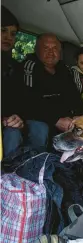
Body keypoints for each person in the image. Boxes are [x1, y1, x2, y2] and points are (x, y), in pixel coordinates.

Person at [1, 5, 49, 157]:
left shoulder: (13, 66)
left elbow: (20, 97)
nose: (8, 37)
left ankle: (33, 170)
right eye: (3, 31)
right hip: (5, 123)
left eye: (13, 34)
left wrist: (19, 117)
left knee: (40, 127)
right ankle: (7, 177)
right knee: (12, 134)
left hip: (12, 119)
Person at [22, 33, 83, 135]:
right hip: (40, 120)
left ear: (60, 51)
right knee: (41, 128)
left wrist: (78, 115)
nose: (51, 52)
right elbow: (28, 101)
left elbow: (74, 96)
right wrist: (56, 120)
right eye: (46, 48)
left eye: (55, 48)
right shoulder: (29, 67)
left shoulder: (65, 70)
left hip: (67, 120)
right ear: (37, 50)